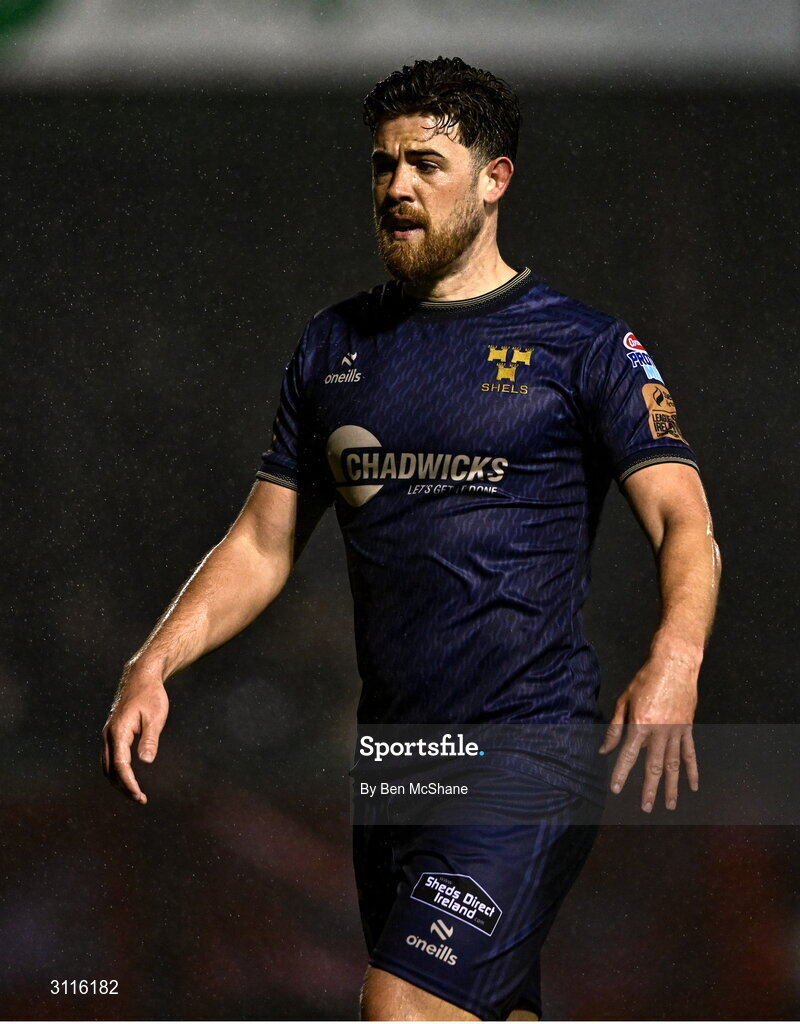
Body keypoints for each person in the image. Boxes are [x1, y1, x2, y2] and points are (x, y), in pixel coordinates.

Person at [102, 57, 721, 1022]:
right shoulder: (332, 347)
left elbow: (686, 520)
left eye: (427, 164)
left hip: (530, 749)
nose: (397, 188)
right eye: (383, 167)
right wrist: (154, 663)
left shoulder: (586, 347)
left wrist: (676, 657)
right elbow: (263, 545)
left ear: (495, 178)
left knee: (403, 1008)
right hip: (398, 762)